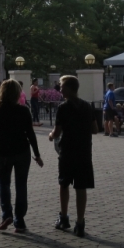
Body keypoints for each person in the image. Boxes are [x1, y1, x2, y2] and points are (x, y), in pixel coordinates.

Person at [0, 79, 43, 233]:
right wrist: (37, 155)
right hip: (22, 151)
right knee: (21, 185)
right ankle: (20, 220)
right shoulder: (24, 110)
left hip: (4, 151)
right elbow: (30, 134)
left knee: (4, 183)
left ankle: (7, 214)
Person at [49, 75, 98, 238]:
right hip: (84, 151)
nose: (60, 89)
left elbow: (57, 132)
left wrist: (51, 135)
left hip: (67, 151)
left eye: (62, 86)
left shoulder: (63, 108)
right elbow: (95, 129)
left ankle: (64, 218)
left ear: (70, 88)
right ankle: (80, 222)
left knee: (64, 184)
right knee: (81, 187)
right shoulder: (87, 106)